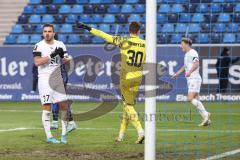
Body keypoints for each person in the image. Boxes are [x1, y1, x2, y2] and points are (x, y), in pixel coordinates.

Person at [76, 21, 145, 144]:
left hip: (126, 78)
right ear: (139, 31)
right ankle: (120, 136)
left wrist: (87, 27)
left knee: (128, 106)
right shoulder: (145, 44)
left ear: (130, 31)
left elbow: (104, 35)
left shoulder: (123, 41)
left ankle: (140, 131)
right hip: (138, 78)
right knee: (127, 107)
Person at [33, 24, 71, 144]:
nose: (47, 33)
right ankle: (49, 136)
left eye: (50, 31)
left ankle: (64, 134)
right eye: (45, 31)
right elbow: (37, 62)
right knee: (47, 107)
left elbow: (66, 62)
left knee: (64, 105)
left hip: (57, 78)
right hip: (44, 79)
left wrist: (67, 59)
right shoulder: (38, 45)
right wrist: (52, 55)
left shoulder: (60, 44)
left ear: (54, 33)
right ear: (43, 33)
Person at [172, 38, 211, 126]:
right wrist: (177, 74)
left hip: (194, 78)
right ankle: (206, 120)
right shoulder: (187, 54)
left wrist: (189, 72)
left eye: (182, 44)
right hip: (191, 79)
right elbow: (185, 66)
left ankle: (206, 114)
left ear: (187, 44)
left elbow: (196, 64)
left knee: (190, 98)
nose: (180, 46)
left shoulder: (193, 52)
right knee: (196, 99)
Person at [50, 34, 77, 132]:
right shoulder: (44, 47)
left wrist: (67, 59)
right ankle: (55, 122)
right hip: (52, 76)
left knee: (61, 100)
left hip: (60, 75)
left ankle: (70, 122)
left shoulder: (60, 45)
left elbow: (66, 59)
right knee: (55, 99)